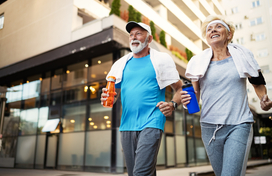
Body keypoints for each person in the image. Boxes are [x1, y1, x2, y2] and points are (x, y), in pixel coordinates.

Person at [181, 15, 272, 176]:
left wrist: (263, 97)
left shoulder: (242, 57)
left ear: (229, 34)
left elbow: (258, 83)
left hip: (239, 123)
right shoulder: (198, 62)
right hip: (209, 127)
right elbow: (194, 93)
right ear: (207, 37)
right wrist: (186, 100)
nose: (213, 30)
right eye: (209, 29)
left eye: (218, 27)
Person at [100, 21, 183, 176]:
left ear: (149, 39)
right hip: (127, 125)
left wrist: (172, 104)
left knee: (141, 173)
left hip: (152, 120)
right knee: (135, 173)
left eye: (139, 33)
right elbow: (114, 95)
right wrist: (107, 96)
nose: (134, 37)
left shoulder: (161, 60)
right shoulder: (120, 64)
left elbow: (179, 89)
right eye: (131, 34)